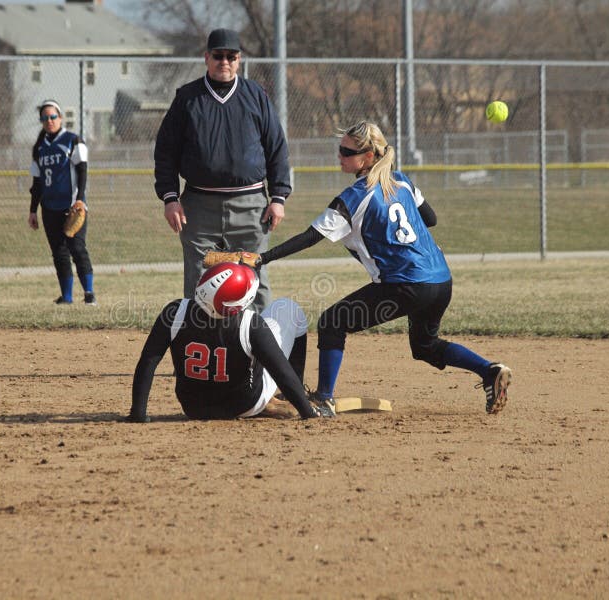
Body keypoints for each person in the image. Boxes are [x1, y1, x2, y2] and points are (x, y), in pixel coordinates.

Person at [253, 121, 513, 415]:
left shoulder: (353, 198)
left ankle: (323, 400)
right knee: (425, 347)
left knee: (332, 322)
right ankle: (489, 371)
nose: (339, 155)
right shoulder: (401, 181)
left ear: (368, 157)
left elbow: (309, 238)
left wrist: (262, 258)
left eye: (346, 151)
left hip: (407, 286)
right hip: (440, 281)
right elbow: (430, 218)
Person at [153, 28, 291, 312]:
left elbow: (276, 146)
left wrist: (278, 198)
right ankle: (198, 342)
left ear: (239, 59)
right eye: (218, 55)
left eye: (231, 56)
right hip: (198, 204)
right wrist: (170, 198)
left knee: (255, 276)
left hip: (250, 203)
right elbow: (165, 152)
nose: (224, 61)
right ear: (207, 57)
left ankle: (259, 349)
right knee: (197, 277)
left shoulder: (255, 95)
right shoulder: (187, 98)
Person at [128, 262, 333, 422]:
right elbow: (282, 373)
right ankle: (293, 399)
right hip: (246, 404)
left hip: (193, 408)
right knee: (288, 308)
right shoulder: (250, 324)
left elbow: (148, 362)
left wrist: (138, 413)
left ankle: (278, 402)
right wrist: (308, 412)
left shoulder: (174, 312)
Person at [28, 99, 96, 306]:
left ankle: (89, 293)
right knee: (58, 251)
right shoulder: (39, 147)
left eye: (53, 116)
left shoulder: (73, 140)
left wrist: (80, 199)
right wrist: (32, 210)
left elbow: (83, 170)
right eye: (45, 118)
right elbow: (37, 183)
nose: (49, 121)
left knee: (77, 248)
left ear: (60, 118)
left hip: (72, 206)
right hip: (49, 207)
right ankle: (66, 296)